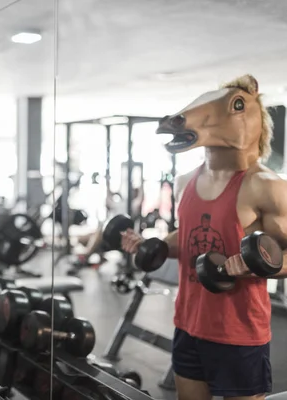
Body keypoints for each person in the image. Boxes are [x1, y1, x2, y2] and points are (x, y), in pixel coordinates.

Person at [121, 75, 287, 400]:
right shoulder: (186, 181)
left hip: (239, 332)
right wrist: (151, 245)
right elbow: (188, 235)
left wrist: (256, 267)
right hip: (188, 324)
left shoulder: (268, 186)